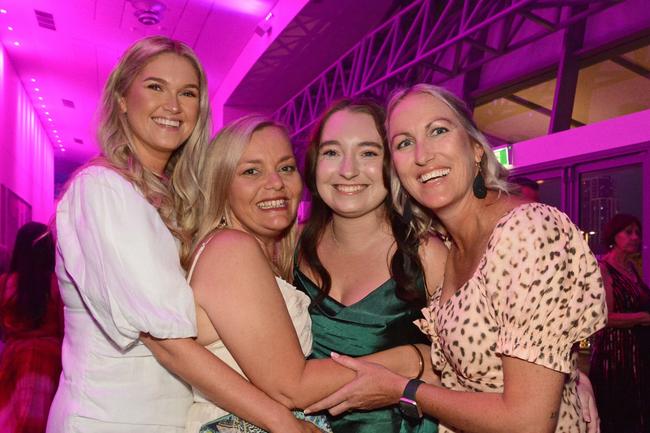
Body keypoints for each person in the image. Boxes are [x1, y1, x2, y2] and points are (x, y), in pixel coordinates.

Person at [48, 36, 321, 433]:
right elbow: (167, 342)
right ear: (122, 98)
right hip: (110, 418)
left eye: (187, 93)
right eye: (155, 87)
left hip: (168, 420)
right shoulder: (103, 190)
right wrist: (282, 421)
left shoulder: (170, 202)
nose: (173, 106)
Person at [305, 84, 607, 433]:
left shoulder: (528, 231)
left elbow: (529, 422)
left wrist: (402, 390)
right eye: (404, 142)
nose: (423, 154)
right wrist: (566, 372)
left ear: (476, 148)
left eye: (438, 131)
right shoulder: (446, 245)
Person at [173, 114, 430, 432]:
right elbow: (291, 387)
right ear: (221, 183)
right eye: (251, 171)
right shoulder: (231, 249)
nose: (275, 183)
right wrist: (415, 359)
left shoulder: (277, 254)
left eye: (285, 168)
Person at [295, 98, 445, 433]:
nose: (348, 169)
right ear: (314, 162)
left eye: (368, 153)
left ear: (392, 165)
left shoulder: (426, 255)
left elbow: (473, 370)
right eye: (332, 152)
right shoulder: (288, 249)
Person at [589, 213, 650, 433]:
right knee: (619, 414)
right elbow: (603, 317)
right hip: (615, 356)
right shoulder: (603, 268)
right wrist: (642, 318)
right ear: (614, 236)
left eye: (638, 232)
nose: (635, 237)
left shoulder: (632, 268)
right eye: (628, 232)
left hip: (637, 354)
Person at [0, 222, 62, 433]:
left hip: (14, 359)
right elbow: (65, 329)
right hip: (49, 362)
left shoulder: (5, 283)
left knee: (11, 419)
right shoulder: (56, 284)